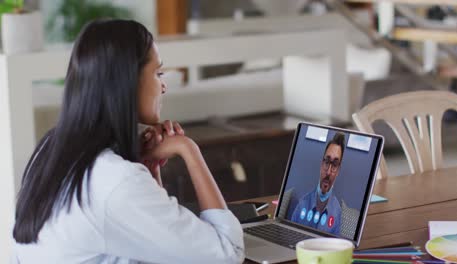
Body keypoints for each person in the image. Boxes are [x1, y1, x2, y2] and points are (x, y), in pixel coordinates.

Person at [11, 19, 244, 264]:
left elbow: (160, 247)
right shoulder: (115, 180)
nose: (163, 86)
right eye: (158, 73)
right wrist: (189, 150)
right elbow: (227, 253)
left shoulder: (50, 150)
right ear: (127, 82)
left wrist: (151, 170)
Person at [291, 132, 345, 236]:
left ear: (338, 171)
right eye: (327, 162)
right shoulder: (302, 203)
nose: (328, 172)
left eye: (334, 165)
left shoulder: (337, 214)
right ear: (321, 164)